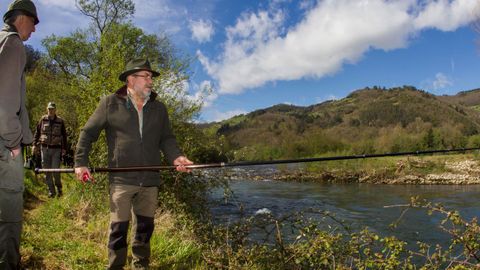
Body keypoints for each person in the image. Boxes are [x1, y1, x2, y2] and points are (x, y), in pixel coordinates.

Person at [74, 58, 193, 270]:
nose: (151, 81)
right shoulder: (109, 103)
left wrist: (176, 157)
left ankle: (141, 266)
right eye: (145, 76)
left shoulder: (159, 109)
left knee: (145, 229)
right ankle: (116, 267)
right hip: (121, 180)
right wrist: (81, 162)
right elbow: (88, 133)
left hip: (150, 180)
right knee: (118, 230)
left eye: (151, 77)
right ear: (131, 79)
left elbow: (167, 139)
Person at [0, 0, 38, 269]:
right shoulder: (13, 44)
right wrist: (14, 141)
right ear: (22, 18)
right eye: (34, 22)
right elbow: (5, 100)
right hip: (5, 142)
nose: (34, 30)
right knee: (11, 209)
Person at [32, 102, 68, 197]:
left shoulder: (60, 121)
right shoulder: (43, 119)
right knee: (46, 171)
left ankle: (59, 188)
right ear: (46, 109)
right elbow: (37, 132)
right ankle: (51, 192)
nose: (50, 111)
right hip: (44, 149)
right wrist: (34, 145)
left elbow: (64, 136)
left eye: (52, 109)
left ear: (55, 110)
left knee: (56, 170)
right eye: (49, 109)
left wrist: (64, 148)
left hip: (56, 150)